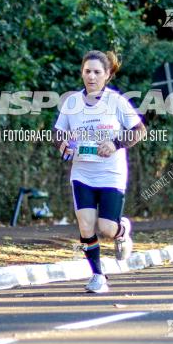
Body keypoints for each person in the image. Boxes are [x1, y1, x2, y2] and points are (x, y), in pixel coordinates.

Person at [54, 50, 147, 293]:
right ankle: (97, 274)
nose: (91, 77)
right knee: (86, 225)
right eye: (87, 71)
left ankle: (122, 230)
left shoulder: (116, 102)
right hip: (82, 172)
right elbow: (58, 132)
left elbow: (139, 130)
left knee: (106, 227)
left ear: (107, 75)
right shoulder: (72, 102)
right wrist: (62, 144)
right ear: (81, 73)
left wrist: (116, 144)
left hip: (110, 173)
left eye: (97, 72)